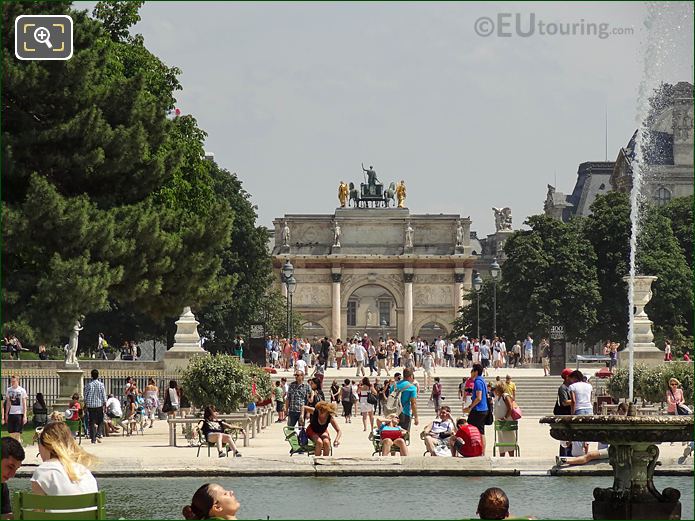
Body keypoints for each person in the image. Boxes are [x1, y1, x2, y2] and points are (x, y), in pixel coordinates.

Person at [32, 422, 98, 496]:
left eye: (39, 442)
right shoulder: (85, 472)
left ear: (45, 445)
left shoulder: (42, 472)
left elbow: (39, 506)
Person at [462, 363, 489, 454]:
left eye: (472, 371)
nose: (471, 373)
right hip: (484, 409)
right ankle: (482, 452)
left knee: (469, 429)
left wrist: (470, 407)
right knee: (481, 432)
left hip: (478, 410)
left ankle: (471, 449)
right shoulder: (483, 381)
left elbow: (479, 397)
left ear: (476, 372)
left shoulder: (477, 381)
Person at [569, 370, 593, 456]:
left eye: (571, 379)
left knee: (578, 431)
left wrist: (572, 413)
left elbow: (573, 401)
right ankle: (586, 452)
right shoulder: (589, 386)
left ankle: (579, 454)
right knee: (587, 431)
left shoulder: (572, 386)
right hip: (589, 409)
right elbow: (590, 399)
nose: (570, 381)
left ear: (574, 378)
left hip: (579, 409)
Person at [2, 437, 25, 519]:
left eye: (16, 469)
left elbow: (6, 515)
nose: (12, 474)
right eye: (10, 467)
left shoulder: (3, 487)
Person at [492, 383, 516, 457]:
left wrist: (505, 418)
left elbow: (510, 408)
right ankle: (501, 459)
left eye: (495, 389)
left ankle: (512, 460)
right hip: (500, 425)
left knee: (509, 442)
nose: (494, 390)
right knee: (501, 444)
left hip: (507, 424)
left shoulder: (505, 396)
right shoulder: (497, 397)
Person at [83, 369, 107, 444]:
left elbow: (85, 395)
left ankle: (93, 438)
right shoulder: (101, 385)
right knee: (100, 421)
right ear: (98, 375)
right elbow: (103, 395)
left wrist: (85, 404)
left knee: (91, 422)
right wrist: (105, 404)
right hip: (99, 405)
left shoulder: (88, 385)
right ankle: (98, 434)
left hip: (91, 405)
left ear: (91, 376)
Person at [3, 375, 27, 442]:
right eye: (11, 381)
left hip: (19, 413)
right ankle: (16, 445)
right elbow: (8, 403)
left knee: (17, 433)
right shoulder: (9, 390)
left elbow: (24, 404)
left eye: (14, 381)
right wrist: (6, 414)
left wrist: (25, 416)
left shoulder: (22, 390)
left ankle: (18, 446)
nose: (12, 383)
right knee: (11, 433)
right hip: (11, 413)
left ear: (17, 381)